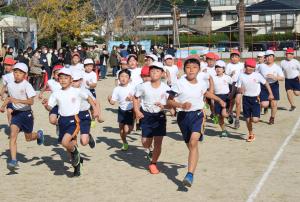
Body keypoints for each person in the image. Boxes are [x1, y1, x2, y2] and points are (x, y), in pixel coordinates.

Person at [167, 55, 226, 187]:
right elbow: (169, 100)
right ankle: (193, 161)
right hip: (182, 117)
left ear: (199, 70)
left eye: (194, 67)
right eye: (188, 67)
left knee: (193, 142)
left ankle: (189, 175)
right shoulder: (179, 83)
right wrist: (181, 105)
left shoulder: (201, 83)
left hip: (198, 115)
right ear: (184, 70)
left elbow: (205, 93)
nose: (191, 70)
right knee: (191, 146)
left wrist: (218, 99)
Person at [43, 68, 99, 177]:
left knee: (65, 142)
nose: (63, 80)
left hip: (74, 121)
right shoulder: (56, 93)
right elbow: (50, 107)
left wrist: (95, 109)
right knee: (69, 148)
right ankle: (77, 166)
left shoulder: (77, 91)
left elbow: (89, 98)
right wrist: (46, 106)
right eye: (61, 78)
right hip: (62, 121)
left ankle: (76, 153)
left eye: (66, 78)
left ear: (71, 79)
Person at [0, 63, 44, 169]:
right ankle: (14, 160)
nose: (17, 74)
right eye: (15, 72)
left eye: (20, 73)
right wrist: (2, 106)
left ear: (25, 74)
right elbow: (9, 98)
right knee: (13, 135)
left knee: (28, 138)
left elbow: (31, 101)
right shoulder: (10, 84)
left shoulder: (26, 85)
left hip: (26, 114)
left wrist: (18, 100)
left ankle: (38, 135)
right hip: (16, 114)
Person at [133, 61, 170, 174]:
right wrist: (137, 110)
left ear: (162, 73)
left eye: (157, 71)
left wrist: (165, 106)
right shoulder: (143, 86)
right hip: (146, 115)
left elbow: (171, 102)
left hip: (160, 116)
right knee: (145, 142)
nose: (154, 72)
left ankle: (153, 163)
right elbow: (135, 98)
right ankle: (149, 148)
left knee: (158, 142)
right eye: (152, 70)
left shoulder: (166, 88)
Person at [236, 59, 274, 142]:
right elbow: (238, 87)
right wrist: (240, 89)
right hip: (246, 98)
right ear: (245, 66)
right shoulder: (241, 75)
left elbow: (266, 83)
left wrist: (270, 93)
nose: (250, 68)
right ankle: (250, 134)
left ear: (254, 68)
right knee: (247, 119)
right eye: (248, 66)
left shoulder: (257, 75)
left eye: (252, 67)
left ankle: (261, 107)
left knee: (255, 120)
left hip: (256, 98)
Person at [108, 69, 135, 151]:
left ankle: (132, 123)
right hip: (121, 111)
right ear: (118, 78)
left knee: (127, 130)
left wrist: (131, 98)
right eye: (122, 76)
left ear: (129, 79)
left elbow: (138, 99)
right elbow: (113, 102)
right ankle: (124, 142)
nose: (123, 78)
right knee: (121, 129)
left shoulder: (132, 87)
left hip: (130, 110)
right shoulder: (117, 89)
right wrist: (109, 99)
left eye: (126, 76)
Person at [71, 70, 97, 150]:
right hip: (72, 115)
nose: (73, 83)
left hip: (84, 114)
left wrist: (95, 111)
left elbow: (94, 101)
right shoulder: (67, 91)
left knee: (84, 142)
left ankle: (88, 136)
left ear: (81, 80)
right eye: (72, 81)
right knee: (72, 137)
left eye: (76, 81)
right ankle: (76, 156)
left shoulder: (85, 91)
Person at [258, 50, 284, 124]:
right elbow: (256, 74)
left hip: (274, 85)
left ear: (274, 57)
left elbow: (282, 78)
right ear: (265, 58)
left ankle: (272, 118)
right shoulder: (261, 66)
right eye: (267, 56)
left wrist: (275, 77)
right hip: (263, 86)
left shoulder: (277, 67)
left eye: (270, 56)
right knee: (264, 104)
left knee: (274, 104)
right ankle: (266, 106)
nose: (269, 58)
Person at [212, 60, 232, 137]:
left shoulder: (227, 77)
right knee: (220, 116)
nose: (218, 69)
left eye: (220, 67)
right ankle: (224, 130)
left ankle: (229, 115)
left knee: (223, 113)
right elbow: (211, 89)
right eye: (216, 67)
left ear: (223, 69)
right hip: (216, 97)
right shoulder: (212, 78)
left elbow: (233, 86)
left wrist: (231, 95)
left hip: (225, 97)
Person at [225, 50, 244, 129]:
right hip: (231, 85)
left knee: (238, 102)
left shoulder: (242, 65)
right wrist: (230, 74)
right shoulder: (228, 65)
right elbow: (225, 75)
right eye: (232, 57)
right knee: (231, 101)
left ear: (239, 58)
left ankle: (237, 119)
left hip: (239, 84)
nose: (234, 58)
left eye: (236, 57)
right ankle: (230, 113)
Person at [0, 58, 16, 124]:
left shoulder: (17, 74)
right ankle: (11, 126)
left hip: (20, 97)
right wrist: (1, 95)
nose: (6, 67)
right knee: (9, 111)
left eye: (8, 65)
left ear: (13, 66)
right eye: (5, 65)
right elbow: (4, 86)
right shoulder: (5, 77)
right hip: (10, 97)